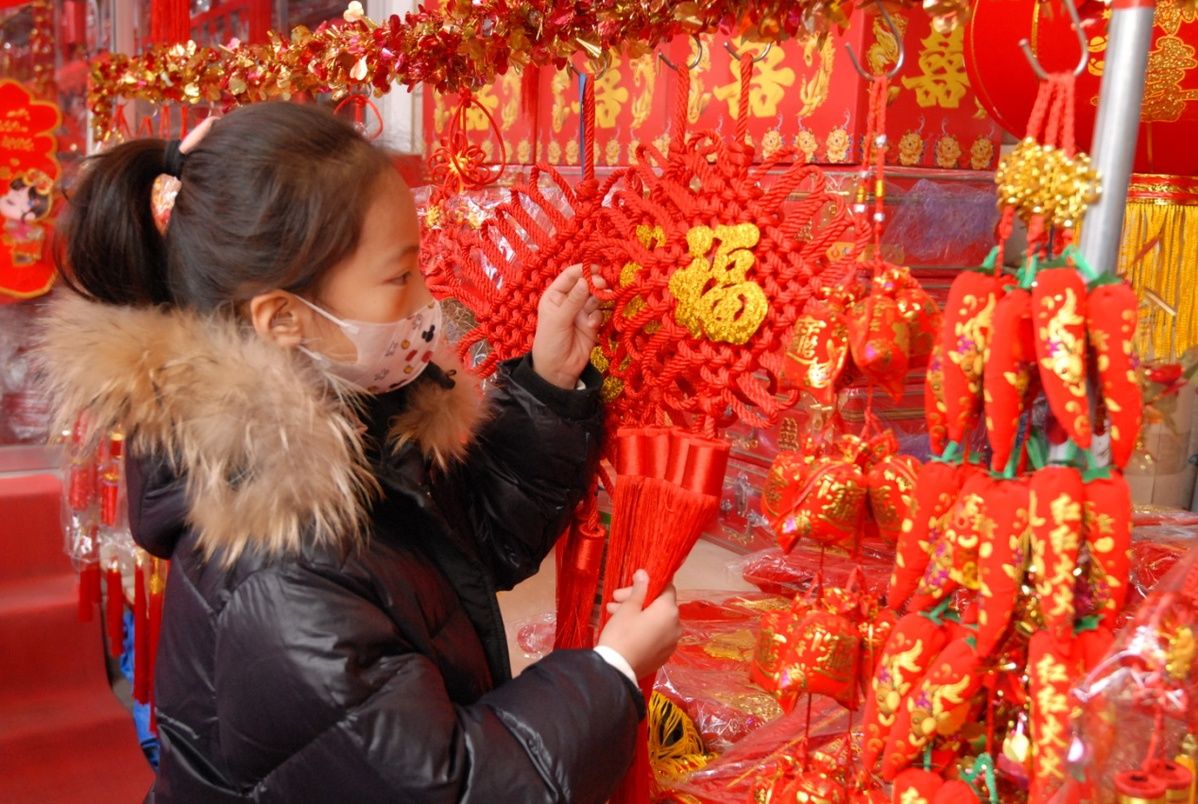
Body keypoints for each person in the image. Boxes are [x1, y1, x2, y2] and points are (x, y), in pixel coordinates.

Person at [37, 102, 682, 802]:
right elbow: (443, 786)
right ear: (283, 318)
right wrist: (611, 673)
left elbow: (470, 548)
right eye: (399, 278)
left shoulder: (349, 420)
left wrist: (550, 388)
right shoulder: (277, 562)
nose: (427, 300)